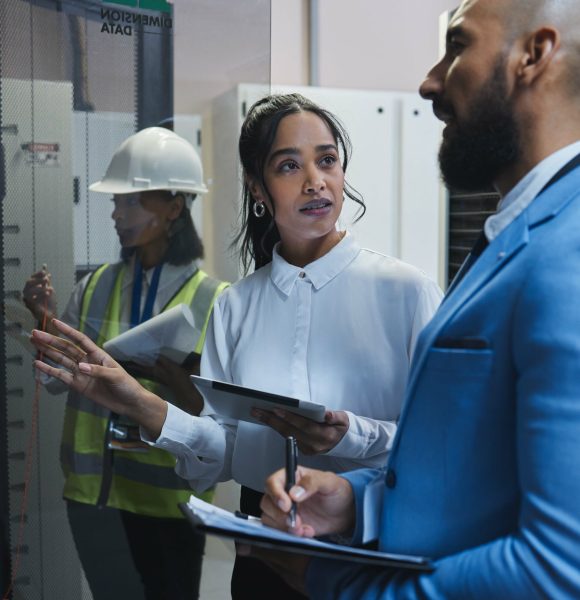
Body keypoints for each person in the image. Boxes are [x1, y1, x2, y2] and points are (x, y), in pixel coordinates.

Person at [29, 95, 442, 598]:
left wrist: (351, 436)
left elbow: (442, 445)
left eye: (327, 159)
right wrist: (135, 400)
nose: (315, 180)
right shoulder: (236, 306)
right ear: (257, 190)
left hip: (372, 544)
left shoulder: (406, 291)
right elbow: (221, 449)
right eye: (289, 165)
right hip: (263, 549)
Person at [246, 0, 580, 598]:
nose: (429, 81)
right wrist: (362, 501)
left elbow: (562, 567)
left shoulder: (570, 248)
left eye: (457, 46)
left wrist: (353, 590)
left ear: (533, 55)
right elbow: (483, 471)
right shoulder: (519, 231)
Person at [23, 127, 228, 600]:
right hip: (94, 500)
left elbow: (220, 421)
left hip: (170, 506)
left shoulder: (216, 301)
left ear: (175, 208)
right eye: (116, 202)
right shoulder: (93, 286)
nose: (116, 213)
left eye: (132, 202)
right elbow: (53, 383)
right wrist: (45, 321)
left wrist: (176, 379)